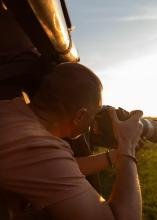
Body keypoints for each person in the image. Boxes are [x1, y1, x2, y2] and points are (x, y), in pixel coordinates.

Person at [0, 4, 143, 220]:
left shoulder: (14, 110)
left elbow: (61, 168)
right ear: (79, 115)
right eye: (92, 116)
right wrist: (127, 148)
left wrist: (113, 157)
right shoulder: (36, 145)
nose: (91, 123)